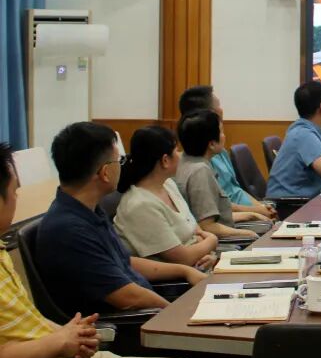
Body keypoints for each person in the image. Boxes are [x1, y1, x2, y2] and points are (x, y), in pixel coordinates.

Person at [0, 142, 199, 358]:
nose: (17, 198)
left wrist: (69, 333)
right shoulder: (68, 228)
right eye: (14, 191)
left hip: (67, 357)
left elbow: (28, 323)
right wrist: (60, 341)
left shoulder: (3, 250)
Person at [37, 123, 205, 315]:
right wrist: (178, 315)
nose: (123, 165)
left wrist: (184, 271)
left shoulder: (89, 211)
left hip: (148, 307)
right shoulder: (69, 230)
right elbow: (129, 297)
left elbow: (123, 262)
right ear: (105, 173)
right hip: (125, 324)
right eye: (119, 161)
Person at [113, 126, 219, 269]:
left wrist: (210, 255)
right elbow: (183, 258)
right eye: (176, 151)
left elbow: (196, 231)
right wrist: (212, 241)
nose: (180, 155)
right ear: (165, 160)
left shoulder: (168, 184)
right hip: (176, 280)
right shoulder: (140, 205)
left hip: (200, 267)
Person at [178, 85, 275, 219]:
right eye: (218, 106)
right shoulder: (200, 165)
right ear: (209, 114)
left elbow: (236, 189)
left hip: (249, 213)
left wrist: (261, 207)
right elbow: (219, 208)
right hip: (235, 219)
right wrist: (256, 212)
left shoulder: (220, 151)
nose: (222, 110)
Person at [175, 110, 262, 241]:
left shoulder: (185, 162)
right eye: (221, 132)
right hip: (219, 244)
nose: (224, 136)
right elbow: (208, 226)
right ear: (211, 144)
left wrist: (251, 215)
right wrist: (250, 234)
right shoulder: (200, 172)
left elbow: (217, 217)